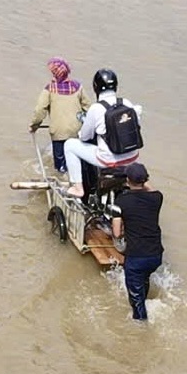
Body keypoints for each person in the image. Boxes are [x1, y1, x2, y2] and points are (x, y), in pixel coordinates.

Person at [68, 67, 144, 195]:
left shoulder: (96, 108)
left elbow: (85, 137)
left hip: (108, 160)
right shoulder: (126, 103)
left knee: (69, 145)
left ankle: (78, 188)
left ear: (96, 87)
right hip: (132, 157)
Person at [110, 162, 164, 321]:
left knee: (136, 301)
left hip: (136, 258)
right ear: (145, 179)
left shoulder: (121, 201)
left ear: (127, 180)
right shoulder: (157, 198)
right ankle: (145, 304)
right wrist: (141, 179)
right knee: (144, 279)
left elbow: (116, 232)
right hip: (156, 255)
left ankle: (141, 329)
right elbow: (150, 188)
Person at [28, 58, 90, 172]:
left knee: (60, 164)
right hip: (76, 131)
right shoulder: (78, 87)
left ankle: (62, 176)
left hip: (59, 132)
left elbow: (40, 110)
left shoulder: (49, 89)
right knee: (76, 160)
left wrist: (34, 126)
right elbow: (88, 108)